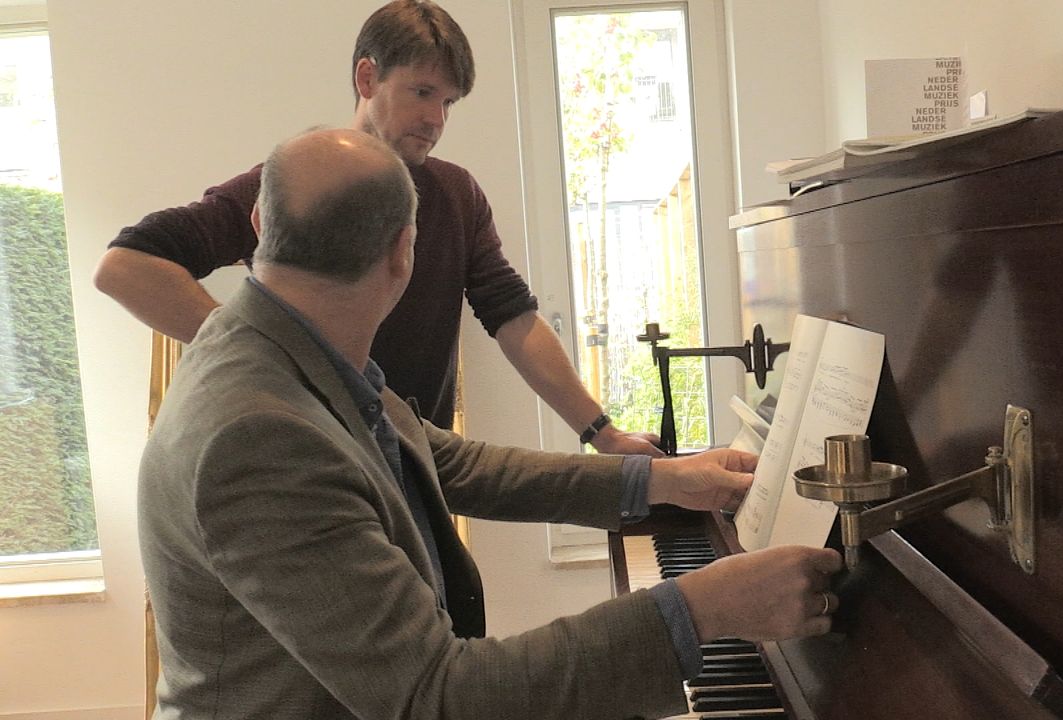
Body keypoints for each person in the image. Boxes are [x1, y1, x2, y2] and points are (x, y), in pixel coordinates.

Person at [138, 127, 841, 719]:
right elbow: (438, 696)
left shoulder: (284, 346)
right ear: (403, 253)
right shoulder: (261, 437)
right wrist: (699, 607)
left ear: (260, 225)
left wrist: (658, 479)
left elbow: (448, 461)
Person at [94, 0, 663, 456]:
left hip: (415, 465)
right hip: (309, 463)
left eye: (449, 102)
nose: (436, 119)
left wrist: (602, 434)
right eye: (422, 92)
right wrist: (263, 347)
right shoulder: (300, 178)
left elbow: (513, 318)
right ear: (367, 77)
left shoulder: (457, 194)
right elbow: (124, 266)